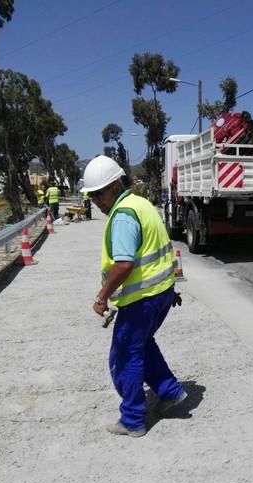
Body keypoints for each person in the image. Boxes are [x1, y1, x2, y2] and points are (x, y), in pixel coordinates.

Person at [82, 155, 187, 437]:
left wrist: (102, 297)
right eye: (91, 197)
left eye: (96, 196)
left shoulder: (124, 216)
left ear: (113, 188)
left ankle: (132, 420)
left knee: (125, 356)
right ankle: (170, 391)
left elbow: (124, 264)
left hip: (142, 299)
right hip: (161, 293)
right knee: (143, 344)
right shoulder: (141, 204)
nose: (95, 202)